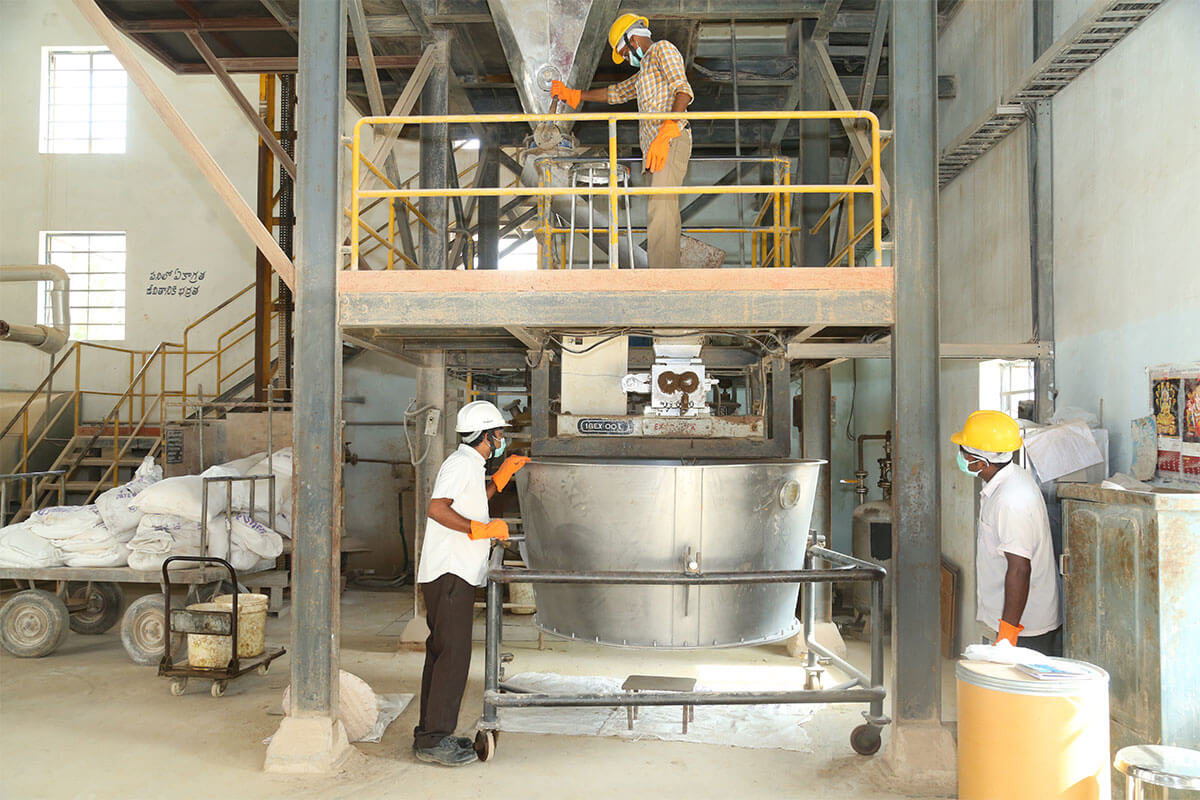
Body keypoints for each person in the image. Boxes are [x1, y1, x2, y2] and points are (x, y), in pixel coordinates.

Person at [412, 400, 530, 766]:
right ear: (486, 435)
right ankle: (434, 740)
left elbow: (471, 499)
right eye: (499, 434)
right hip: (451, 573)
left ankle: (428, 733)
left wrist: (498, 481)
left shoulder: (471, 464)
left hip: (453, 573)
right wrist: (479, 529)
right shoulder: (460, 464)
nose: (502, 440)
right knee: (454, 656)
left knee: (441, 653)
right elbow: (438, 508)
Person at [551, 12, 694, 269]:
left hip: (669, 140)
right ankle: (669, 272)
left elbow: (682, 89)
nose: (627, 59)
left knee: (659, 210)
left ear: (633, 40)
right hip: (654, 148)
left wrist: (668, 129)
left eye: (625, 53)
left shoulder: (663, 50)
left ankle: (660, 278)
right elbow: (615, 93)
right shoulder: (644, 72)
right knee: (665, 210)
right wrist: (574, 95)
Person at [952, 410, 1062, 656]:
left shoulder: (1012, 500)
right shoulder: (1005, 481)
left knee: (1023, 693)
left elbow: (1020, 568)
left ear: (981, 463)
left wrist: (1008, 633)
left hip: (1026, 626)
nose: (960, 456)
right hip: (1013, 617)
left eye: (964, 452)